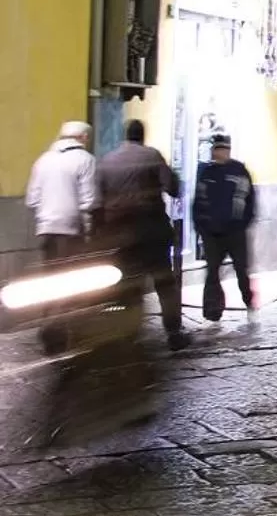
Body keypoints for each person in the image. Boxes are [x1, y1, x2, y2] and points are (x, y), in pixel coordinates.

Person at [98, 121, 185, 349]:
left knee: (128, 285)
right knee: (164, 283)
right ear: (142, 136)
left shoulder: (107, 160)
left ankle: (129, 334)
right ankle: (174, 332)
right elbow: (173, 187)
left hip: (121, 234)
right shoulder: (152, 156)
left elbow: (97, 197)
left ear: (125, 136)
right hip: (152, 230)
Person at [192, 132, 257, 319]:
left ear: (226, 150)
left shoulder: (238, 171)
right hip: (212, 234)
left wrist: (243, 223)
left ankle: (249, 302)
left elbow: (249, 200)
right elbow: (199, 201)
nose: (216, 152)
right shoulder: (207, 173)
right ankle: (213, 311)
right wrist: (201, 227)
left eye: (219, 149)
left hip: (234, 232)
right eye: (215, 149)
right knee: (212, 272)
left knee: (241, 271)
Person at [24, 121, 97, 264]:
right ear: (84, 136)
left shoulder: (43, 160)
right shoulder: (86, 159)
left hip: (46, 229)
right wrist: (89, 231)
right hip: (73, 229)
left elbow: (32, 200)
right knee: (70, 275)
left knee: (50, 273)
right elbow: (89, 200)